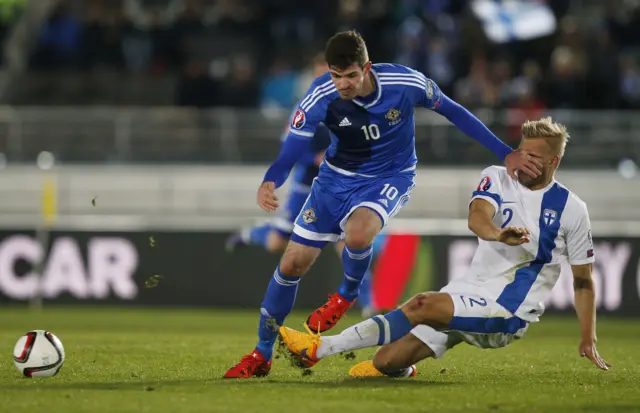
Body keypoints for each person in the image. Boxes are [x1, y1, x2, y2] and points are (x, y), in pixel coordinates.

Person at [223, 31, 541, 379]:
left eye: (350, 75)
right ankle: (261, 352)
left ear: (366, 68)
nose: (342, 84)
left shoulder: (405, 83)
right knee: (291, 264)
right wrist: (272, 179)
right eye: (335, 75)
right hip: (334, 180)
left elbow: (455, 112)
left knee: (358, 236)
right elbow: (292, 149)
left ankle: (347, 293)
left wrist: (505, 152)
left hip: (389, 177)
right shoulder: (320, 96)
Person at [278, 117, 611, 377]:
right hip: (467, 292)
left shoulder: (572, 209)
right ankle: (403, 370)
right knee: (386, 361)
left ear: (554, 162)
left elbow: (583, 281)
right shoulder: (498, 176)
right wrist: (496, 234)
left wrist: (587, 336)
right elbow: (477, 217)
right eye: (521, 151)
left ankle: (318, 349)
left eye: (534, 157)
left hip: (508, 309)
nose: (523, 160)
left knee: (421, 303)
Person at [224, 54, 379, 316]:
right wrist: (318, 158)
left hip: (342, 188)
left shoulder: (356, 104)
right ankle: (253, 233)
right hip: (308, 189)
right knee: (276, 243)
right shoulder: (306, 109)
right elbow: (292, 149)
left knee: (350, 245)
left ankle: (370, 304)